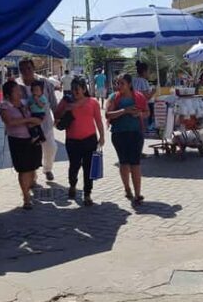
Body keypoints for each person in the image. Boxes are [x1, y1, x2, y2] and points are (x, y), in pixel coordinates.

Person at [55, 78, 105, 206]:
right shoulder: (67, 100)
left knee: (88, 167)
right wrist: (67, 108)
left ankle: (87, 194)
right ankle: (72, 185)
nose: (74, 92)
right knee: (74, 165)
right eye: (73, 89)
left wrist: (102, 136)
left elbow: (98, 120)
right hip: (72, 140)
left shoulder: (93, 102)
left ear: (84, 89)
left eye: (77, 89)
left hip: (90, 139)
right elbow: (56, 116)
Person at [106, 74, 148, 206]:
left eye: (121, 83)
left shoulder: (139, 97)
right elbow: (108, 114)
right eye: (117, 83)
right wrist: (125, 111)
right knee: (124, 163)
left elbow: (147, 112)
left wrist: (139, 114)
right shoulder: (114, 97)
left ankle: (137, 194)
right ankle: (127, 188)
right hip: (119, 134)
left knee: (135, 164)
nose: (118, 86)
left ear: (129, 84)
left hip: (136, 134)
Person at [0, 80, 43, 209]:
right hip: (18, 141)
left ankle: (28, 189)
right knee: (23, 169)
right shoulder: (5, 106)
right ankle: (26, 197)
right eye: (16, 90)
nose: (19, 92)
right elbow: (9, 122)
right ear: (8, 94)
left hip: (32, 138)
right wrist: (29, 119)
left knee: (32, 167)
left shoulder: (25, 103)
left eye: (19, 90)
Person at [18, 59, 58, 181]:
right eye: (23, 69)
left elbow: (53, 102)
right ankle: (32, 174)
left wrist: (57, 117)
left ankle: (47, 169)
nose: (26, 71)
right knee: (31, 151)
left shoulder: (44, 83)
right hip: (26, 127)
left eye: (29, 68)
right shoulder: (18, 85)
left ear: (33, 68)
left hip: (45, 123)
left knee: (50, 148)